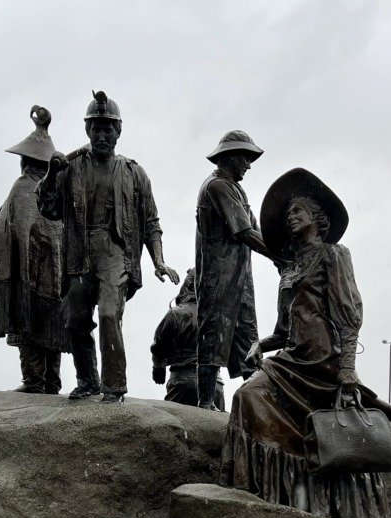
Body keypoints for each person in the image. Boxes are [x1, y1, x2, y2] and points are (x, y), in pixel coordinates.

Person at [220, 168, 391, 518]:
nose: (291, 218)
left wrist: (346, 370)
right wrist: (259, 344)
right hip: (291, 360)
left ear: (317, 219)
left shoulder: (334, 256)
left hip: (323, 362)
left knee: (321, 427)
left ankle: (322, 501)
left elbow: (349, 315)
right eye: (289, 214)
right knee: (247, 396)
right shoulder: (290, 269)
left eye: (298, 212)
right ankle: (266, 492)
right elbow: (283, 329)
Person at [38, 90, 179, 402]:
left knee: (108, 314)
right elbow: (48, 208)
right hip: (78, 253)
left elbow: (151, 221)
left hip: (115, 252)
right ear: (88, 130)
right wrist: (51, 174)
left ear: (118, 131)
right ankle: (87, 380)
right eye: (96, 129)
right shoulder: (70, 168)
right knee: (75, 320)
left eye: (108, 129)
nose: (102, 135)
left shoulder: (134, 173)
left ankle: (113, 385)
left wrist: (159, 261)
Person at [0, 106, 66, 394]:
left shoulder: (24, 186)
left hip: (29, 270)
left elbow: (5, 224)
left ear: (25, 161)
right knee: (50, 325)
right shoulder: (57, 188)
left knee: (29, 323)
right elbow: (5, 217)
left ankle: (35, 380)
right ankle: (51, 381)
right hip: (55, 275)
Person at [195, 130, 268, 409]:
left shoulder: (236, 188)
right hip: (219, 277)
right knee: (213, 336)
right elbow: (244, 231)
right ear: (230, 157)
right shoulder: (217, 186)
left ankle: (258, 406)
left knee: (248, 341)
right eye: (245, 159)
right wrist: (278, 256)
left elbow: (256, 230)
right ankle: (205, 403)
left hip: (240, 279)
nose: (249, 166)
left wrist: (280, 256)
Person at [150, 269, 225, 410]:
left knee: (174, 428)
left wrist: (158, 367)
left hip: (182, 381)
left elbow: (159, 345)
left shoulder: (175, 314)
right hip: (215, 385)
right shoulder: (219, 316)